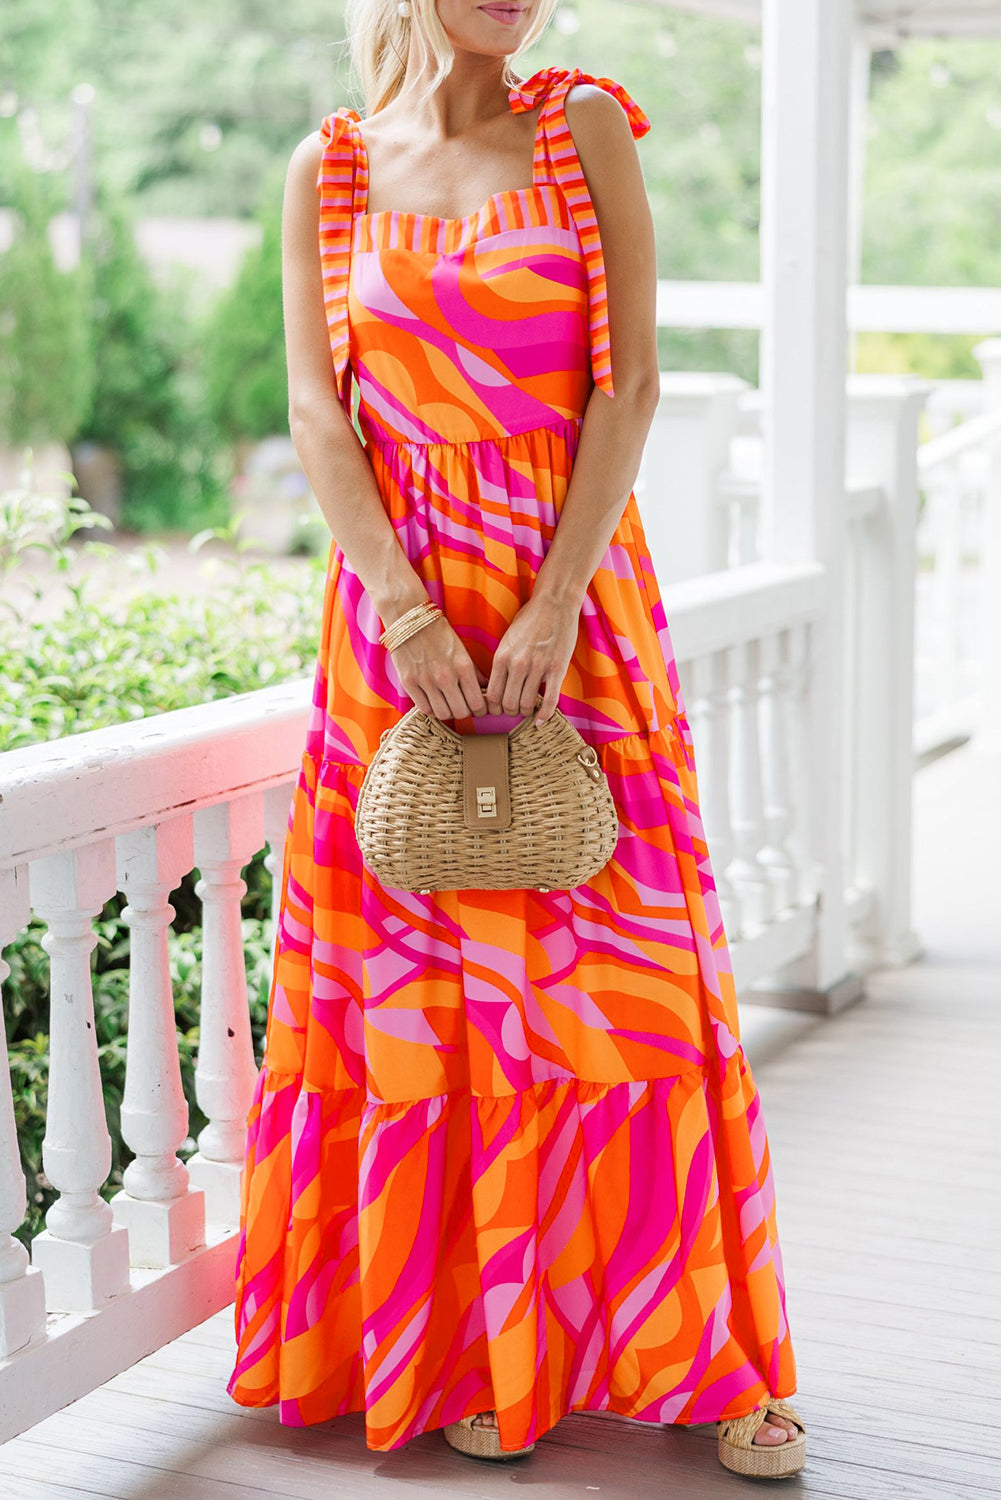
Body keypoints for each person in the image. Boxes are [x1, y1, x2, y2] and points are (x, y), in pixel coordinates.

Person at [225, 0, 806, 1481]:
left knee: (628, 978)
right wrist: (409, 613)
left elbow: (629, 384)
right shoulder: (328, 168)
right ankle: (477, 1355)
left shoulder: (580, 127)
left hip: (574, 602)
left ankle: (709, 1361)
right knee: (425, 997)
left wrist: (552, 603)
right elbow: (316, 413)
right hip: (397, 620)